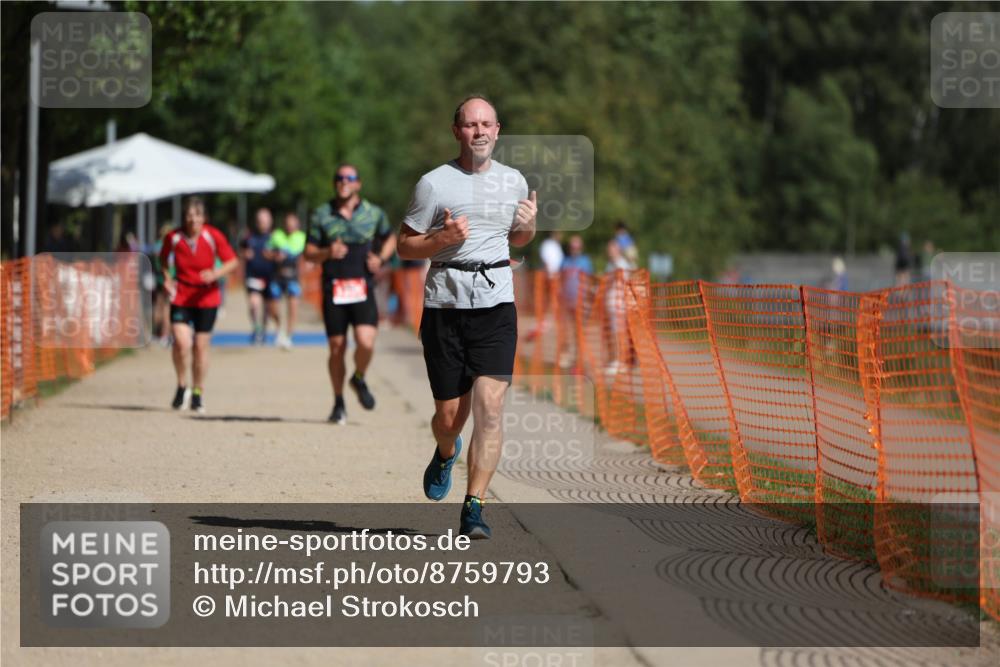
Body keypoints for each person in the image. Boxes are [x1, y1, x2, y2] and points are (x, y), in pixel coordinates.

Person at [397, 95, 537, 539]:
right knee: (449, 419)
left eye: (486, 124)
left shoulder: (514, 181)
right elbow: (404, 245)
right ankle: (445, 452)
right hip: (446, 307)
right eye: (471, 124)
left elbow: (517, 238)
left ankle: (474, 505)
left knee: (490, 408)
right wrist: (441, 238)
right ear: (457, 131)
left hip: (496, 306)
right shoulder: (433, 184)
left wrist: (528, 224)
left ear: (497, 131)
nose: (479, 131)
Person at [304, 164, 396, 424]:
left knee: (366, 342)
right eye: (339, 178)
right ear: (335, 183)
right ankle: (338, 402)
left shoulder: (373, 213)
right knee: (337, 348)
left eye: (349, 178)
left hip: (362, 286)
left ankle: (358, 377)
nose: (344, 182)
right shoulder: (322, 214)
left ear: (358, 183)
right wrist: (327, 252)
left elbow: (390, 238)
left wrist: (381, 258)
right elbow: (308, 252)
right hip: (333, 288)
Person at [159, 197, 238, 414]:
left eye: (197, 215)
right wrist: (167, 278)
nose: (193, 219)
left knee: (200, 347)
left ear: (204, 217)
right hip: (182, 296)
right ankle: (181, 385)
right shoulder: (174, 237)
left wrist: (215, 273)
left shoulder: (213, 236)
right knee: (181, 343)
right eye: (189, 215)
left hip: (206, 297)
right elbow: (163, 259)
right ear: (184, 217)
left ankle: (197, 391)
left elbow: (232, 261)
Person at [268, 212, 307, 349]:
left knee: (293, 307)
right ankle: (279, 329)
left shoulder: (302, 237)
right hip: (277, 277)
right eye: (287, 223)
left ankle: (289, 336)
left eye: (292, 223)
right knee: (273, 307)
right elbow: (266, 252)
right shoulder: (277, 235)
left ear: (297, 224)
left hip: (293, 278)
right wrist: (275, 255)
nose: (290, 226)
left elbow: (306, 257)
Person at [242, 208, 277, 345]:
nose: (263, 223)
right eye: (260, 221)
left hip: (269, 277)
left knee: (267, 308)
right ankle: (256, 328)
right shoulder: (249, 237)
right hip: (253, 276)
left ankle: (263, 330)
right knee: (254, 304)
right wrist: (245, 254)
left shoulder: (275, 238)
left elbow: (282, 255)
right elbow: (241, 250)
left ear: (270, 221)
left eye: (265, 220)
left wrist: (272, 256)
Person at [559, 234, 594, 369]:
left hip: (581, 302)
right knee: (566, 331)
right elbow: (560, 281)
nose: (575, 249)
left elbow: (589, 282)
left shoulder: (586, 262)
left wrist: (588, 300)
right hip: (567, 302)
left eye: (577, 247)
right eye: (572, 247)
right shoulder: (565, 262)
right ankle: (566, 356)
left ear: (581, 248)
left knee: (579, 331)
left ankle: (578, 358)